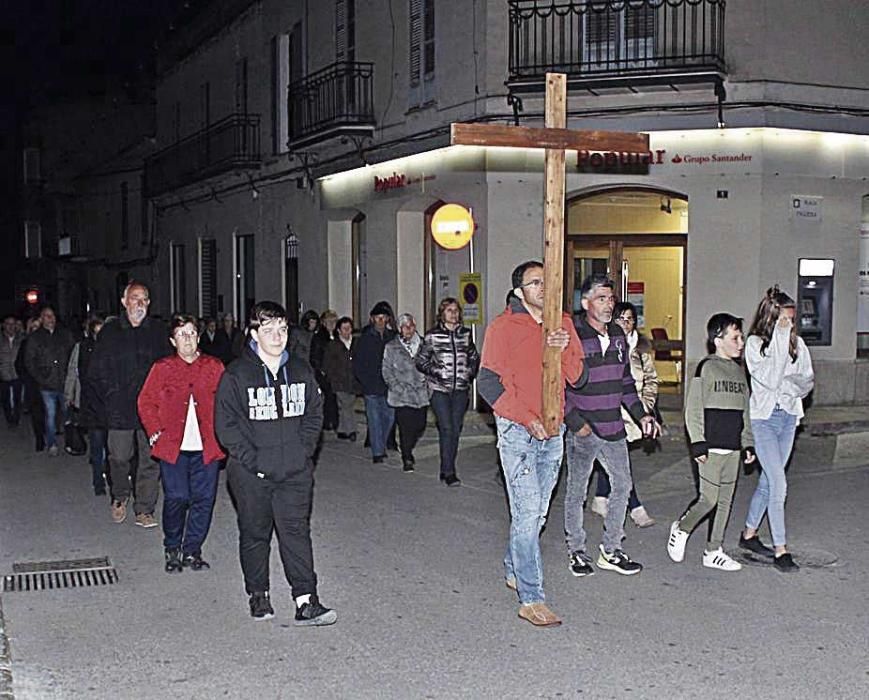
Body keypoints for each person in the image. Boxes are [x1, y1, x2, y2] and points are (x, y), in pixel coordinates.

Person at [478, 260, 584, 627]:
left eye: (547, 281)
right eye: (535, 282)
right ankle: (531, 597)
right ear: (520, 291)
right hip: (517, 430)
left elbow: (576, 376)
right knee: (527, 511)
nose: (543, 287)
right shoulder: (503, 327)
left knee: (537, 513)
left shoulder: (564, 323)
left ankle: (513, 566)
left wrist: (563, 346)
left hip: (554, 431)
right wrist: (526, 419)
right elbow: (488, 385)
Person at [215, 301, 335, 625]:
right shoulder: (237, 375)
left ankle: (306, 599)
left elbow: (314, 415)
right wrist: (253, 460)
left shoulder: (301, 370)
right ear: (254, 333)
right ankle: (259, 594)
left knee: (296, 532)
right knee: (256, 533)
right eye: (268, 330)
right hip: (251, 473)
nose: (277, 336)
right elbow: (226, 426)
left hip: (294, 471)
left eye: (282, 329)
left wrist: (303, 451)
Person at [563, 275, 658, 579]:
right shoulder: (573, 334)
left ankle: (611, 549)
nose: (608, 305)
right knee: (577, 491)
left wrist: (641, 414)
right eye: (601, 298)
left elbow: (626, 381)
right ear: (585, 302)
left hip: (613, 425)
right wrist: (574, 422)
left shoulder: (618, 334)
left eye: (611, 299)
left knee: (623, 485)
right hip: (583, 428)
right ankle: (576, 551)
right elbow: (556, 382)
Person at [667, 313, 756, 571]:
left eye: (741, 336)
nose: (741, 342)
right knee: (708, 499)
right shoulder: (706, 367)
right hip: (711, 447)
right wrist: (698, 442)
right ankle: (682, 528)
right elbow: (693, 409)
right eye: (735, 337)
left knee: (726, 500)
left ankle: (713, 550)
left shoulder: (740, 373)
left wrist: (747, 443)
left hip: (733, 448)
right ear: (718, 340)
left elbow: (745, 413)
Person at [138, 314, 225, 574]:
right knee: (177, 497)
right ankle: (172, 547)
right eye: (181, 334)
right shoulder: (162, 368)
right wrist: (155, 432)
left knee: (203, 499)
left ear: (198, 338)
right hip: (173, 448)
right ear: (173, 340)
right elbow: (145, 402)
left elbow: (228, 402)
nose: (187, 339)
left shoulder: (214, 366)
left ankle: (192, 549)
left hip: (207, 446)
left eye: (191, 333)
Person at [740, 287, 814, 572]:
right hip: (763, 420)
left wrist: (792, 385)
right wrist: (781, 339)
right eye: (785, 320)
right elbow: (769, 378)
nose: (790, 325)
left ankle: (749, 533)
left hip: (788, 418)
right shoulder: (755, 344)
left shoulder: (798, 344)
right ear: (771, 318)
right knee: (779, 483)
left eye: (792, 320)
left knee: (770, 481)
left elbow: (806, 380)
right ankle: (781, 549)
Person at [85, 282, 171, 527]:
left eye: (144, 299)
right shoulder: (110, 332)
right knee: (120, 457)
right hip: (119, 409)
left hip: (151, 411)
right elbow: (95, 371)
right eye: (135, 298)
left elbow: (167, 368)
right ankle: (120, 496)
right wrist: (110, 396)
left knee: (150, 460)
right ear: (124, 302)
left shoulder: (157, 331)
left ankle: (144, 508)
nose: (140, 304)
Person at [590, 301, 658, 528]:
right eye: (622, 319)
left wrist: (645, 408)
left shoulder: (642, 349)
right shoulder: (607, 345)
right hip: (612, 411)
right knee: (620, 463)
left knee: (613, 458)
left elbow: (651, 381)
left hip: (634, 412)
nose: (627, 324)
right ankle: (636, 507)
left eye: (630, 319)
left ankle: (600, 498)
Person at [416, 297, 480, 486]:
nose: (454, 313)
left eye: (456, 310)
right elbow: (420, 360)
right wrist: (437, 371)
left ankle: (447, 466)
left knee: (455, 429)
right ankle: (449, 471)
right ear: (442, 314)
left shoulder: (465, 335)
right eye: (449, 310)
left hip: (460, 389)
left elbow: (474, 357)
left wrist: (468, 373)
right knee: (447, 427)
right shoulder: (432, 336)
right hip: (439, 389)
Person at [64, 315, 108, 494]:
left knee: (112, 446)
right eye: (96, 332)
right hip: (90, 404)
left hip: (110, 404)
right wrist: (70, 396)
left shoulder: (111, 349)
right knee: (97, 444)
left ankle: (109, 475)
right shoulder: (81, 348)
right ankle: (98, 481)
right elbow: (73, 372)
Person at [24, 306, 75, 456]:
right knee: (50, 415)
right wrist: (41, 377)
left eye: (52, 315)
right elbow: (29, 361)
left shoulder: (65, 334)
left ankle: (70, 442)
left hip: (64, 382)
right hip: (46, 384)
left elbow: (73, 354)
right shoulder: (35, 338)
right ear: (41, 318)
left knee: (67, 415)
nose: (50, 319)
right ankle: (52, 443)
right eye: (46, 316)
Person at [382, 313, 430, 472]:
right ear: (400, 329)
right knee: (405, 426)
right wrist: (396, 387)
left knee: (420, 425)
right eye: (405, 326)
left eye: (411, 326)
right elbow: (387, 370)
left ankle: (409, 445)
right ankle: (407, 456)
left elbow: (433, 365)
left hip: (421, 394)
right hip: (402, 395)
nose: (408, 329)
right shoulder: (392, 347)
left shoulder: (424, 344)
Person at [353, 301, 397, 463]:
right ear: (372, 319)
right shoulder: (365, 338)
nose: (381, 321)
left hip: (389, 386)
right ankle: (378, 451)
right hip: (371, 386)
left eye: (383, 318)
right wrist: (365, 381)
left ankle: (381, 443)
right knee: (374, 419)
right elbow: (358, 363)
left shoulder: (392, 338)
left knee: (389, 417)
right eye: (378, 318)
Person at [323, 316, 358, 441]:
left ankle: (342, 429)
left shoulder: (355, 343)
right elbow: (327, 364)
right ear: (339, 330)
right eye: (344, 328)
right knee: (346, 404)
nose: (347, 331)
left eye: (349, 328)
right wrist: (332, 377)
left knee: (346, 405)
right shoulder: (333, 345)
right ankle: (351, 429)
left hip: (353, 380)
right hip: (339, 381)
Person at [16, 317, 46, 451]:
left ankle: (48, 432)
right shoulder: (25, 344)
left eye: (38, 327)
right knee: (36, 412)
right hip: (32, 384)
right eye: (33, 327)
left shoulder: (47, 342)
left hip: (47, 382)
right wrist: (26, 378)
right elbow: (19, 364)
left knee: (48, 411)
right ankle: (39, 438)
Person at [311, 310, 339, 431]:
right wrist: (321, 370)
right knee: (328, 397)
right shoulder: (319, 337)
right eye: (329, 321)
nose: (332, 323)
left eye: (334, 321)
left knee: (336, 397)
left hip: (337, 371)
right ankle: (328, 421)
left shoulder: (338, 335)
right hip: (324, 372)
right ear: (323, 322)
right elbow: (315, 356)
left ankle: (336, 422)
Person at [0, 315, 24, 428]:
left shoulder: (21, 339)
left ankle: (16, 419)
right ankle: (9, 418)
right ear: (4, 325)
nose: (10, 327)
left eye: (12, 324)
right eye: (8, 324)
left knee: (17, 398)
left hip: (17, 374)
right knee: (5, 399)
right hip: (3, 373)